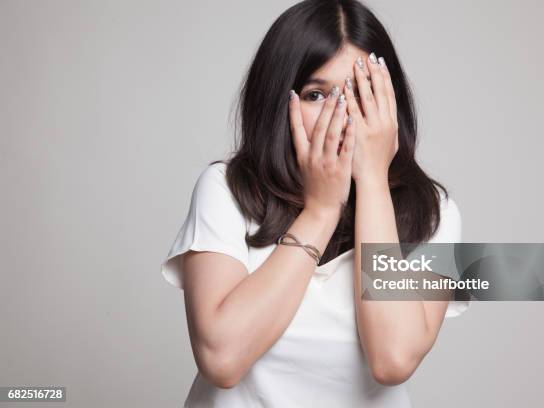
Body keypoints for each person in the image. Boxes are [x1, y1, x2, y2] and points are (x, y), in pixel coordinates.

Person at [161, 0, 469, 406]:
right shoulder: (225, 190)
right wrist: (321, 210)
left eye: (360, 92)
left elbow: (393, 360)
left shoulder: (435, 212)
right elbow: (222, 360)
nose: (341, 114)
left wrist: (373, 180)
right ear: (278, 101)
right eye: (316, 94)